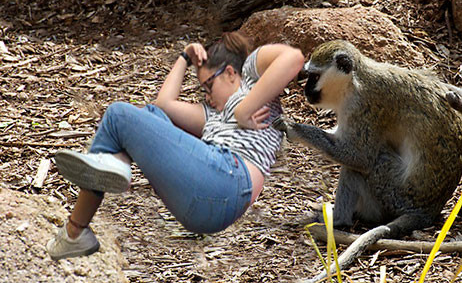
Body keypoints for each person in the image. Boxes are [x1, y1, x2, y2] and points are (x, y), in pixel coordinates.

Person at [46, 31, 304, 260]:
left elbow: (294, 58)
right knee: (150, 114)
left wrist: (244, 111)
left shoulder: (251, 79)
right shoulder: (210, 116)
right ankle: (79, 226)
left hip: (230, 179)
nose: (207, 96)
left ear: (229, 72)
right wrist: (184, 56)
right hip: (205, 206)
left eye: (208, 86)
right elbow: (163, 104)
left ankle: (81, 221)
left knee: (118, 115)